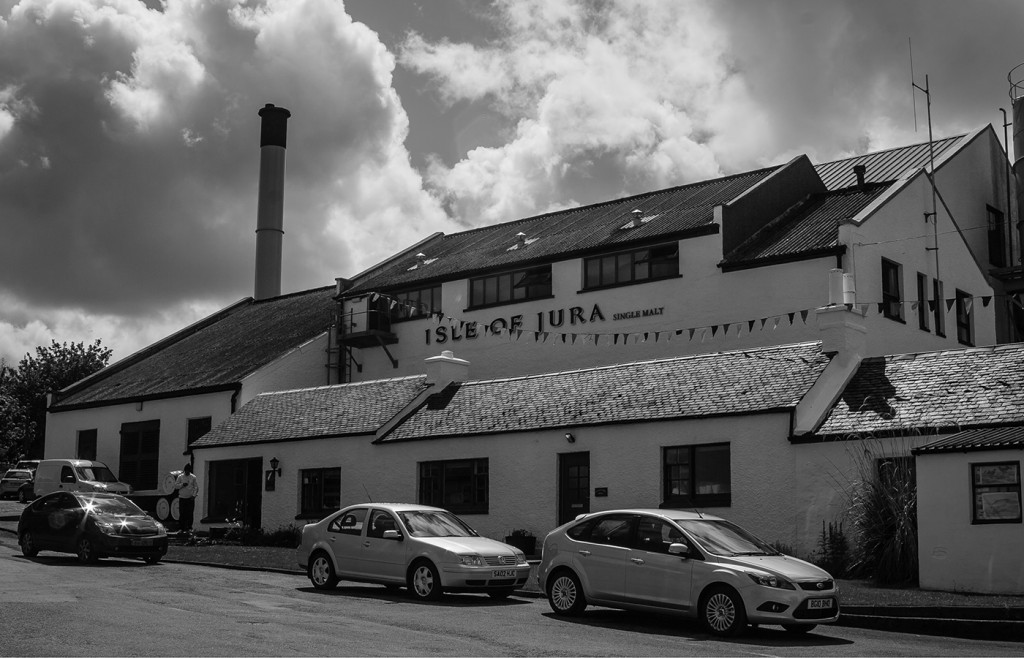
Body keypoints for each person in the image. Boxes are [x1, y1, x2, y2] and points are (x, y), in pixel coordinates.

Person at [174, 463, 198, 537]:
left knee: (190, 513)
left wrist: (194, 496)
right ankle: (181, 528)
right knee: (182, 513)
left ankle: (189, 528)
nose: (187, 472)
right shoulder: (180, 477)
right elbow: (176, 486)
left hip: (190, 498)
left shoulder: (193, 477)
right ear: (184, 470)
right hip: (182, 498)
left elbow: (196, 487)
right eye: (186, 471)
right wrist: (182, 485)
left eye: (188, 471)